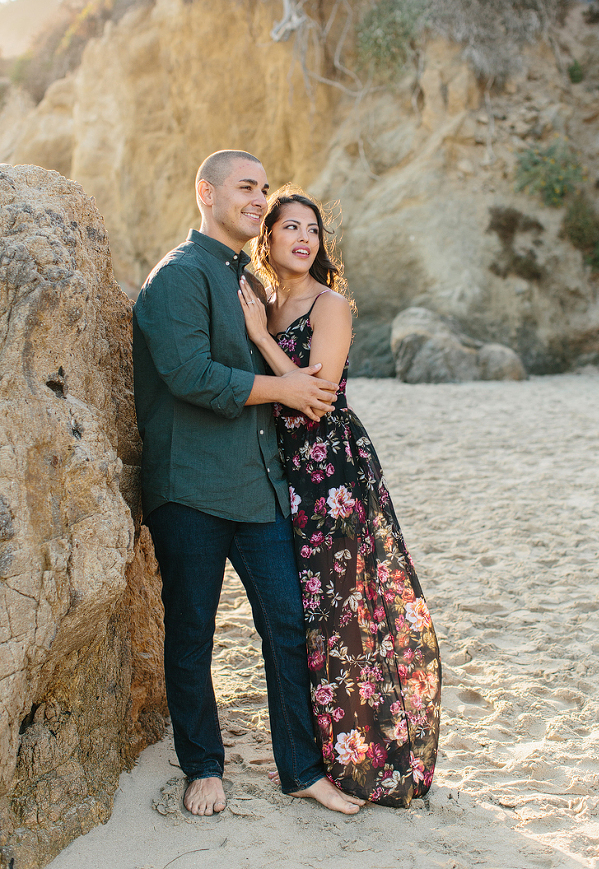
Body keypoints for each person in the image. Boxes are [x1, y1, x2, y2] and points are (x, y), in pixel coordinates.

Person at [133, 149, 367, 816]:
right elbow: (189, 375)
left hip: (259, 487)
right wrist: (284, 386)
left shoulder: (246, 279)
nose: (259, 198)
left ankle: (300, 769)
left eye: (264, 189)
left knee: (287, 624)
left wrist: (281, 370)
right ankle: (203, 767)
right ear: (205, 192)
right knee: (193, 632)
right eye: (246, 187)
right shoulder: (179, 276)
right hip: (188, 487)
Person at [236, 185, 442, 807]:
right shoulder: (262, 302)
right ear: (268, 238)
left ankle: (367, 758)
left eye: (313, 230)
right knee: (305, 616)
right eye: (290, 227)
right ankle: (317, 754)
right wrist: (255, 322)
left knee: (348, 611)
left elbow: (316, 395)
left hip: (330, 474)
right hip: (278, 474)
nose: (303, 238)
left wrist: (259, 336)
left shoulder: (332, 306)